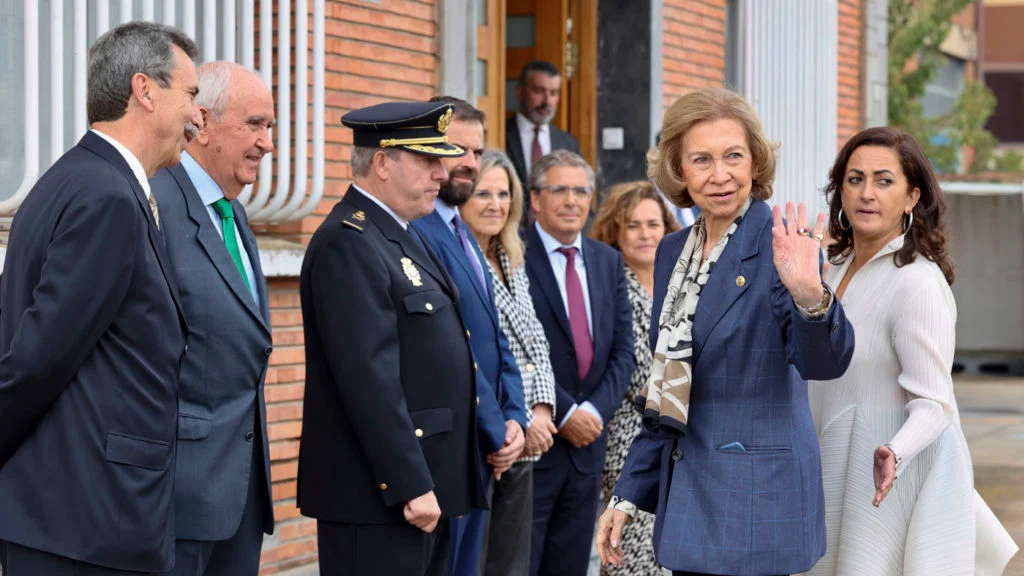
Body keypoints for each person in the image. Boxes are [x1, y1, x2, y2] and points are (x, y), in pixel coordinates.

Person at [595, 87, 856, 576]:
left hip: (757, 501)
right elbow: (666, 388)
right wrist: (627, 494)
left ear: (755, 162)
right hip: (690, 497)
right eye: (701, 159)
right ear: (679, 170)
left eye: (733, 156)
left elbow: (823, 363)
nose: (720, 175)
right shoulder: (673, 250)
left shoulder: (781, 245)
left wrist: (811, 298)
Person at [0, 21, 199, 575]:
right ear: (145, 90)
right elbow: (39, 355)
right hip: (88, 521)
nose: (197, 115)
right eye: (190, 95)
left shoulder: (77, 179)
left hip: (76, 517)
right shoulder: (106, 195)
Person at [806, 126, 1018, 576]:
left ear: (910, 197)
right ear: (840, 189)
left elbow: (935, 403)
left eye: (884, 181)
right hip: (824, 468)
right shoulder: (829, 269)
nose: (867, 193)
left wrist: (895, 452)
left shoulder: (917, 282)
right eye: (855, 179)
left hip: (880, 481)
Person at [297, 101, 486, 576]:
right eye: (428, 161)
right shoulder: (350, 241)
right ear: (382, 162)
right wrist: (409, 484)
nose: (441, 174)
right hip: (382, 497)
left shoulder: (397, 233)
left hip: (421, 490)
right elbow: (368, 379)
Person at [150, 61, 276, 576]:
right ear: (201, 121)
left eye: (270, 127)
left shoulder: (232, 211)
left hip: (239, 495)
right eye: (255, 124)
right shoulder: (155, 201)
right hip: (176, 498)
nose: (267, 144)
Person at [411, 98, 527, 576]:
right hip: (452, 447)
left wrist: (516, 415)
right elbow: (449, 346)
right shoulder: (417, 231)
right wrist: (497, 429)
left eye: (477, 153)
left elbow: (495, 338)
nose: (471, 164)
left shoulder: (463, 231)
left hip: (484, 448)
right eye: (458, 149)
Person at [525, 150, 636, 576]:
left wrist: (592, 411)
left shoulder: (607, 260)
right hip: (538, 443)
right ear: (535, 199)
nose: (572, 200)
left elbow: (623, 352)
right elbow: (513, 350)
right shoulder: (512, 254)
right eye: (560, 190)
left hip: (590, 447)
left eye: (581, 190)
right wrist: (566, 410)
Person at [459, 149, 559, 576]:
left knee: (511, 564)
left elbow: (537, 341)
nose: (495, 204)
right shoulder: (458, 260)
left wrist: (540, 410)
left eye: (503, 193)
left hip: (525, 435)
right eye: (483, 193)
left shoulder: (511, 257)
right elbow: (472, 355)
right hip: (485, 438)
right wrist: (507, 425)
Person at [590, 181, 680, 576]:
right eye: (633, 226)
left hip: (679, 431)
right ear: (615, 231)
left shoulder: (681, 283)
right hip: (630, 435)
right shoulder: (610, 286)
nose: (645, 234)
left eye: (653, 223)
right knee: (632, 553)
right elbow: (629, 367)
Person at [505, 60, 581, 227]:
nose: (547, 100)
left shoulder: (568, 142)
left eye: (553, 93)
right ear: (520, 92)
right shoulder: (501, 134)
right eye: (539, 91)